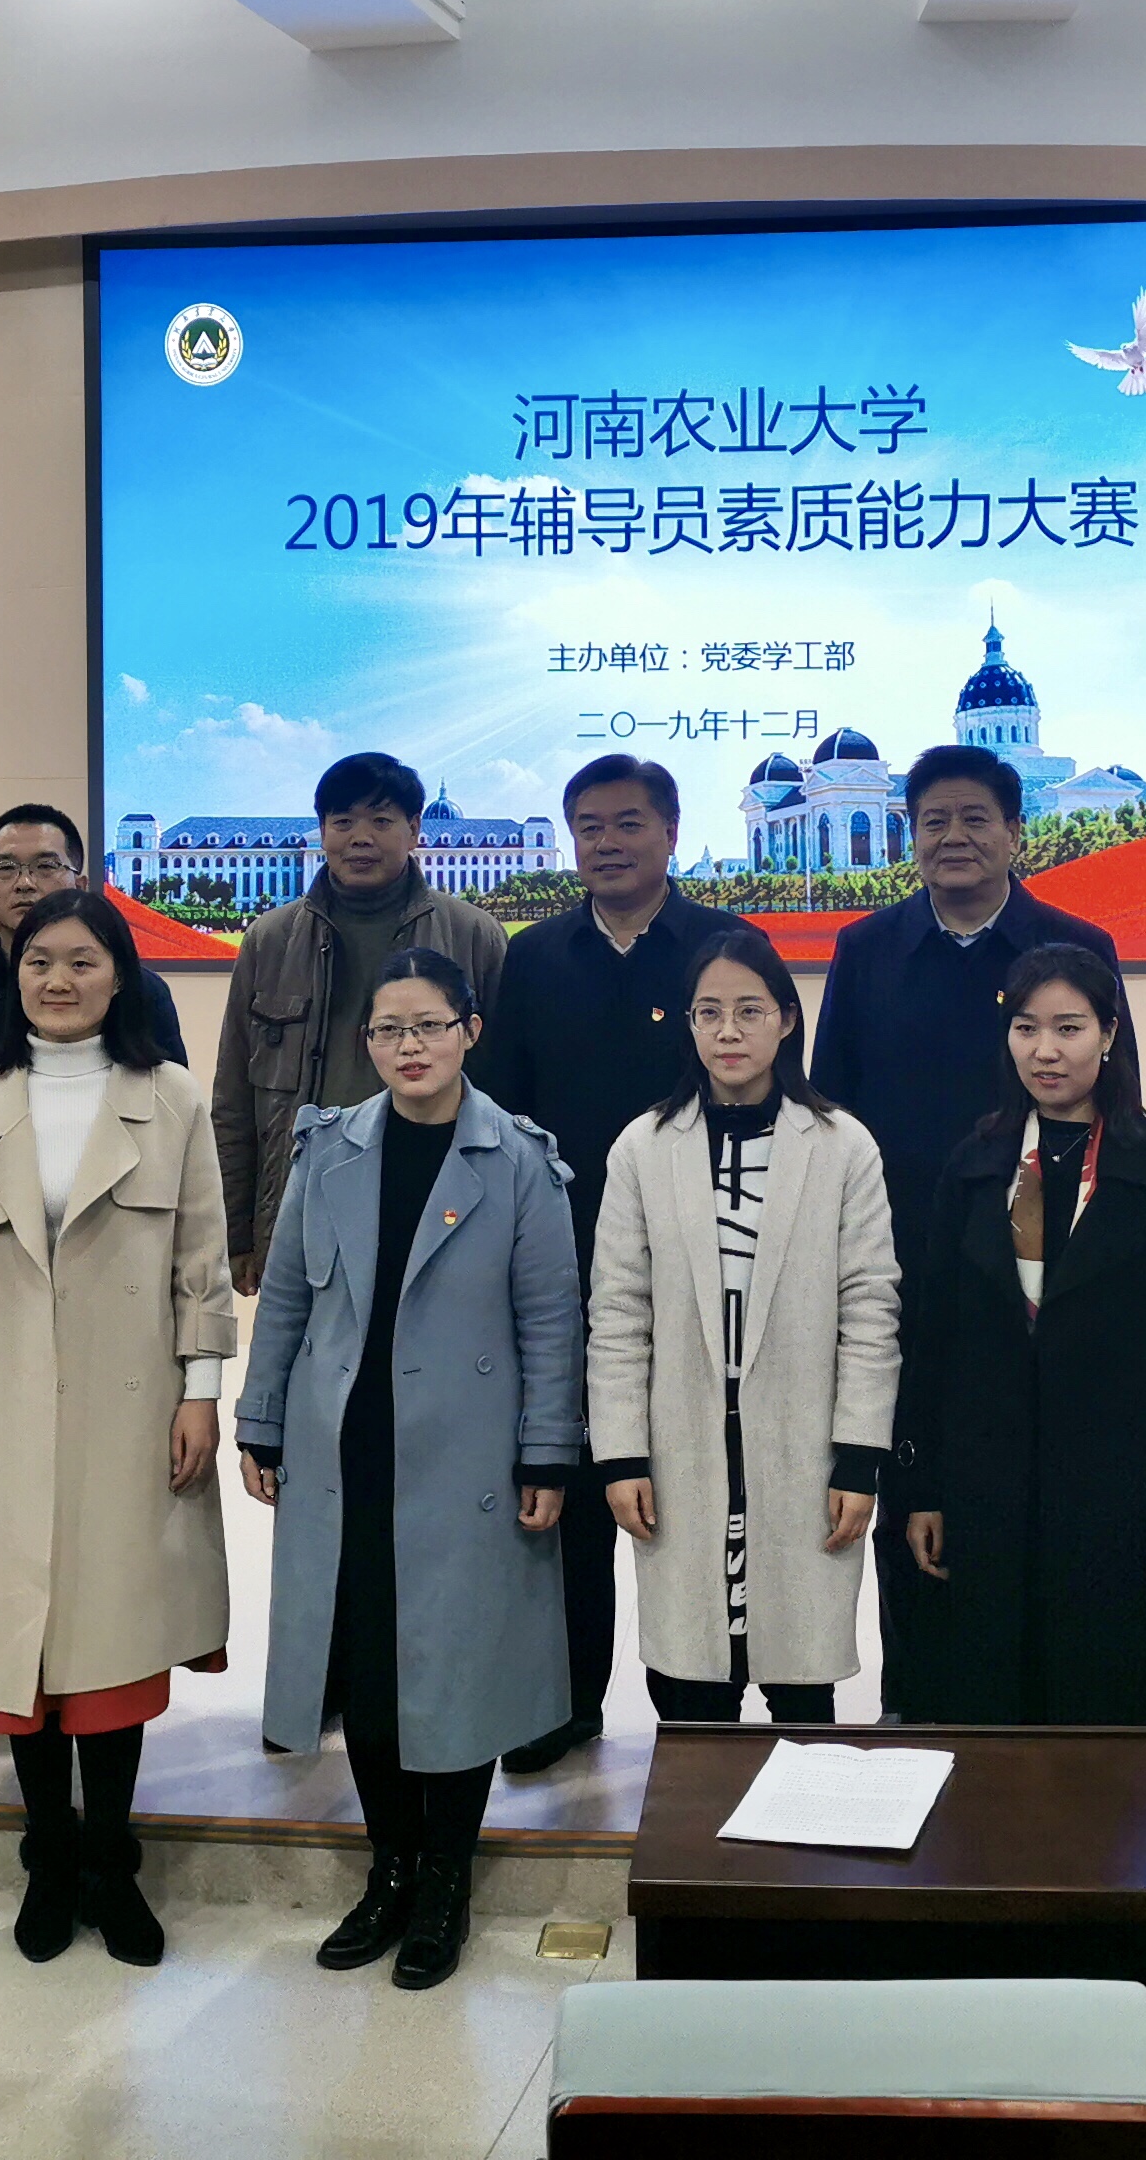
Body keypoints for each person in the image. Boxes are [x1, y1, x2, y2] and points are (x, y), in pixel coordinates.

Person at [236, 947, 581, 1994]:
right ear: (368, 1041)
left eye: (430, 1025)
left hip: (466, 1453)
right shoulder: (330, 1148)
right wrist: (262, 1420)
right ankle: (387, 1869)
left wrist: (548, 1447)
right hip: (346, 1444)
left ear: (470, 1031)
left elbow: (551, 1318)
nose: (410, 1046)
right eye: (389, 1029)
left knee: (454, 1664)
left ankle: (445, 1881)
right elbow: (287, 1297)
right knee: (372, 1668)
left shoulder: (517, 1160)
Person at [0, 888, 234, 1970]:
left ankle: (112, 1859)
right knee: (21, 1647)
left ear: (120, 976)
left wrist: (201, 1391)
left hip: (131, 1407)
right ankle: (47, 1857)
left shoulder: (170, 1098)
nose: (58, 980)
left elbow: (201, 1262)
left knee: (110, 1639)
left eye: (82, 961)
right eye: (38, 962)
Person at [812, 743, 1118, 1717]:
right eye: (933, 820)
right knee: (917, 1483)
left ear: (1016, 833)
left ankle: (1044, 1699)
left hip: (1044, 1271)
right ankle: (920, 1697)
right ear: (910, 835)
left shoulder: (1074, 945)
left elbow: (1115, 1108)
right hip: (903, 1267)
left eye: (975, 818)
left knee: (1042, 1478)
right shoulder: (866, 950)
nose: (954, 836)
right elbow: (831, 1112)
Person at [474, 754, 748, 1772]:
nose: (607, 843)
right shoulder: (534, 957)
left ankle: (697, 1703)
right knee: (572, 1485)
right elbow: (499, 1114)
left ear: (670, 831)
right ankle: (564, 1699)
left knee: (695, 1482)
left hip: (704, 1257)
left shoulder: (727, 948)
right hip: (565, 1260)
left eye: (629, 823)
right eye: (588, 826)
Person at [899, 944, 1146, 1725]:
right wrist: (923, 1488)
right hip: (988, 1490)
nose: (1045, 1050)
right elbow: (932, 1342)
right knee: (994, 1720)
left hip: (1117, 1496)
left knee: (1111, 1725)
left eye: (1069, 1028)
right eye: (1027, 1028)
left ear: (1109, 1034)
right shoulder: (974, 1167)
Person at [585, 928, 898, 1729]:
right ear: (688, 1022)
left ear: (787, 1020)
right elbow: (618, 1312)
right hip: (681, 1447)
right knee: (692, 1695)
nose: (729, 1031)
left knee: (801, 1692)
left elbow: (870, 1307)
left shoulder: (842, 1145)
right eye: (710, 1012)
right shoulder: (643, 1147)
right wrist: (621, 1454)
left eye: (749, 1011)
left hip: (804, 1448)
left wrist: (859, 1456)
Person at [213, 752, 512, 1297]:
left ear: (415, 830)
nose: (360, 838)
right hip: (305, 1207)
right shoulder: (270, 940)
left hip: (439, 1205)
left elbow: (506, 1089)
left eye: (381, 820)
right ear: (323, 830)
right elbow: (234, 1094)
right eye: (343, 821)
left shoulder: (474, 935)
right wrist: (237, 1231)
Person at [0, 803, 189, 1121]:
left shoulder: (140, 990)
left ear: (80, 886)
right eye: (6, 868)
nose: (24, 883)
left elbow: (170, 1111)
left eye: (45, 866)